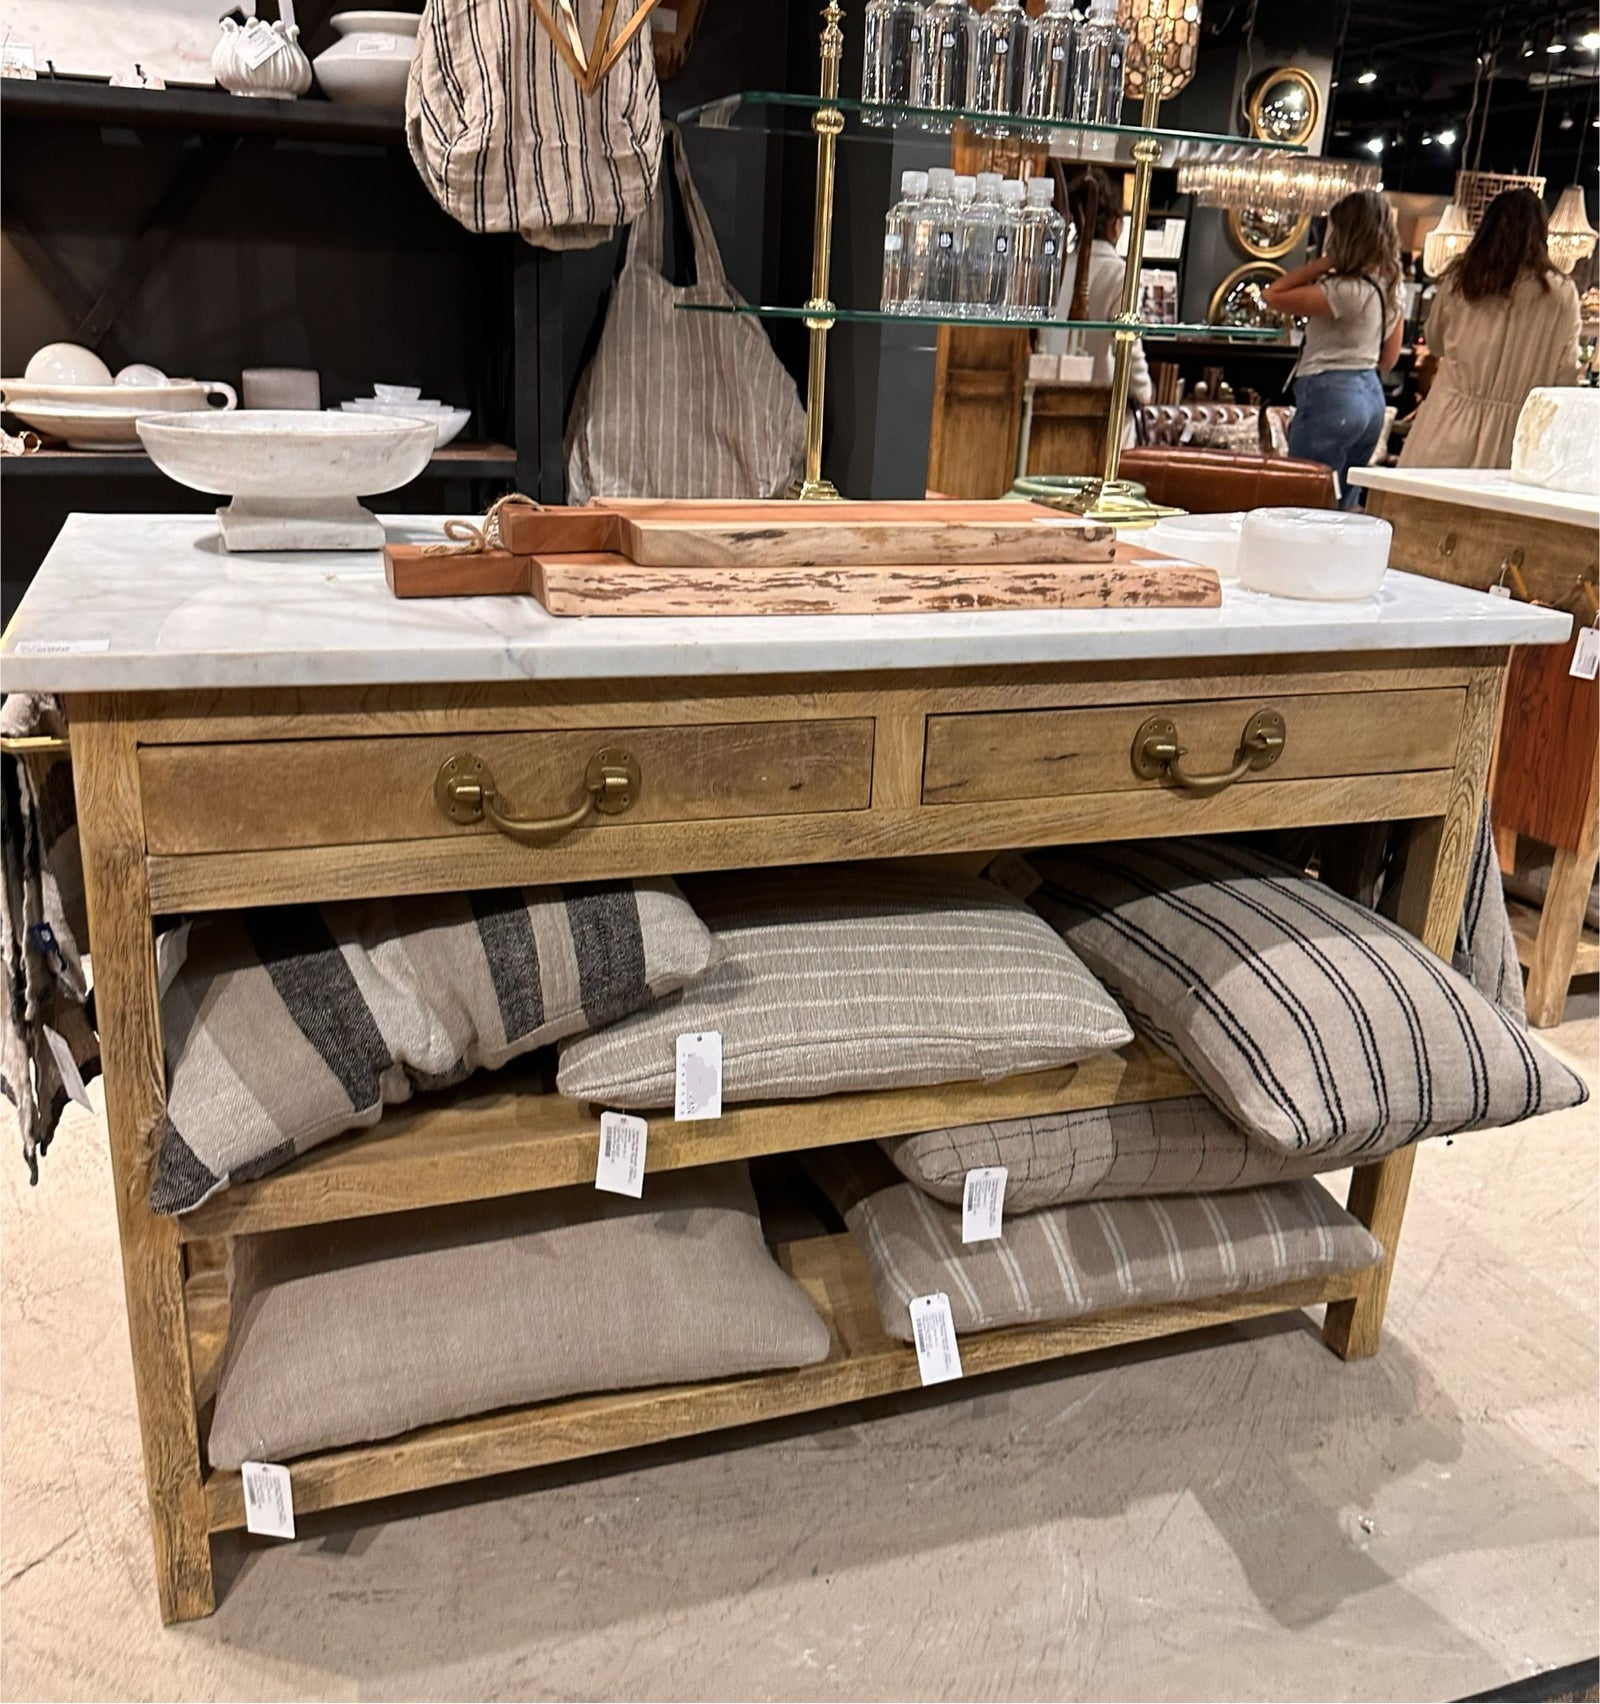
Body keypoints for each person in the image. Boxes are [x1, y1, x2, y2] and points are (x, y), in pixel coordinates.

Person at [1399, 188, 1581, 468]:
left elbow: (1434, 342)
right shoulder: (1560, 293)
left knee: (1425, 508)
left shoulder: (1461, 279)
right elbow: (1565, 376)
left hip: (1446, 424)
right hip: (1515, 438)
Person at [1263, 189, 1404, 507]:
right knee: (1343, 504)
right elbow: (1388, 360)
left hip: (1332, 394)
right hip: (1371, 400)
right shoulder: (1391, 290)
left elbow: (1272, 294)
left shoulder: (1342, 291)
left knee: (1303, 498)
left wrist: (1326, 262)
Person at [1040, 165, 1152, 443]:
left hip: (1051, 394)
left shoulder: (1058, 267)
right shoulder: (1120, 273)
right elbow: (1127, 345)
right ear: (1118, 224)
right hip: (1101, 404)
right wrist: (1143, 390)